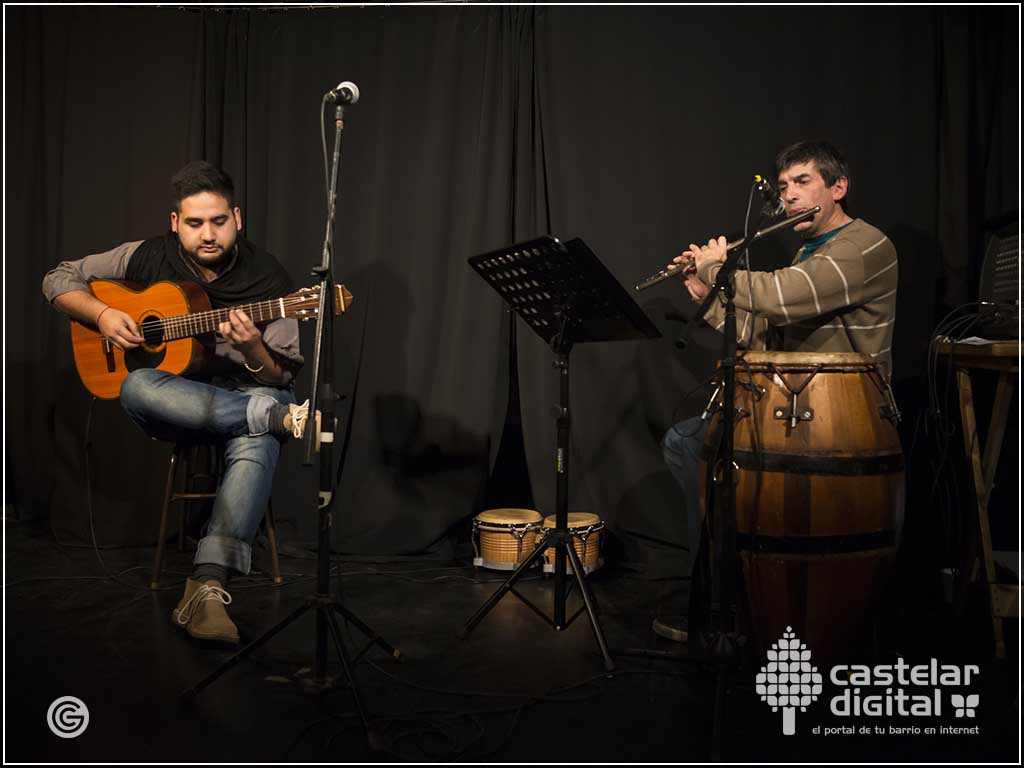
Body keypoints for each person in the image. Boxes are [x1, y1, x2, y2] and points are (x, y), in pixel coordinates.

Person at [42, 161, 312, 645]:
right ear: (175, 223)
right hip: (178, 405)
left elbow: (281, 373)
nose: (207, 234)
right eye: (194, 223)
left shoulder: (269, 279)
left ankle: (206, 588)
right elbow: (58, 279)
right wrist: (103, 314)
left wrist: (252, 348)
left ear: (237, 218)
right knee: (137, 384)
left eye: (218, 221)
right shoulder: (146, 256)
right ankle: (272, 419)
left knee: (261, 425)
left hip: (246, 393)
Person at [661, 140, 899, 601]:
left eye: (803, 182)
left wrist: (717, 272)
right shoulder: (809, 252)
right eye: (784, 185)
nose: (788, 195)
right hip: (794, 403)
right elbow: (762, 332)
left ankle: (725, 587)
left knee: (699, 451)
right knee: (686, 444)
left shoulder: (863, 246)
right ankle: (719, 581)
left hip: (845, 412)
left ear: (838, 187)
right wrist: (702, 291)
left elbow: (782, 294)